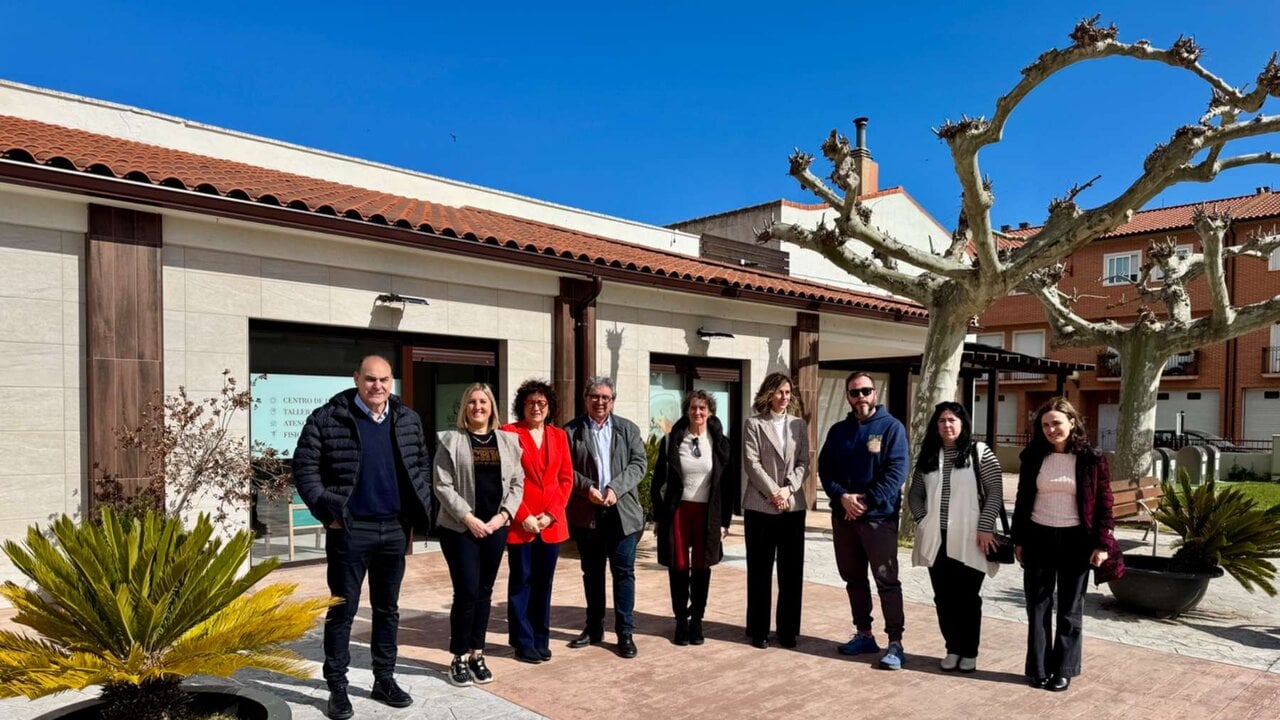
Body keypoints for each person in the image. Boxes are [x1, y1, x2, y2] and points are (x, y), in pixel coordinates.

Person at [292, 354, 433, 720]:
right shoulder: (329, 417)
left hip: (393, 530)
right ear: (357, 379)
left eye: (385, 379)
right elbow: (305, 468)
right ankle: (337, 687)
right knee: (343, 611)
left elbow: (420, 464)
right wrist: (329, 511)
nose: (378, 386)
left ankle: (383, 679)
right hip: (350, 530)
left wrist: (418, 512)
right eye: (370, 379)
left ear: (392, 382)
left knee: (388, 610)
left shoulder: (408, 419)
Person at [1013, 397, 1123, 692]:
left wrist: (1102, 544)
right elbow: (1023, 499)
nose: (1051, 429)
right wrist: (1019, 539)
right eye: (1045, 424)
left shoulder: (1091, 457)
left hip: (1076, 540)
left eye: (1057, 423)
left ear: (1072, 423)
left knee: (1070, 609)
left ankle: (1063, 669)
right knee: (1037, 607)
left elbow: (1105, 503)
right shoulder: (1033, 456)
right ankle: (1038, 668)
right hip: (1038, 537)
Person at [433, 383, 524, 687]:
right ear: (464, 408)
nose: (478, 407)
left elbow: (516, 484)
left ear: (491, 407)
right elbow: (442, 485)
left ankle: (477, 654)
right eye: (472, 402)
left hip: (495, 528)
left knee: (485, 592)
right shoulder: (451, 441)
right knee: (467, 592)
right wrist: (469, 518)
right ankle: (458, 656)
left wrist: (503, 517)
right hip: (460, 528)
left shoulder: (509, 441)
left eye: (483, 401)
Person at [818, 371, 909, 670]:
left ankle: (895, 643)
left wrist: (865, 501)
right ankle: (864, 634)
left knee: (886, 580)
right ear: (848, 396)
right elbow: (825, 470)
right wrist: (842, 497)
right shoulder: (838, 431)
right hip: (844, 518)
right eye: (855, 392)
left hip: (878, 520)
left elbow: (896, 472)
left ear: (875, 393)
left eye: (866, 391)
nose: (861, 397)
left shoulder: (891, 428)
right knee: (853, 579)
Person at [907, 402, 1005, 673]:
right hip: (937, 538)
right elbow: (914, 494)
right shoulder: (928, 456)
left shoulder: (979, 452)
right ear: (935, 426)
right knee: (943, 597)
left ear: (963, 424)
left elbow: (995, 490)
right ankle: (952, 648)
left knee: (968, 597)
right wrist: (922, 520)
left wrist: (986, 526)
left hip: (972, 537)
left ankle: (969, 651)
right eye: (941, 421)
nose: (947, 425)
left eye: (952, 420)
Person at [564, 376, 648, 659]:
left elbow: (639, 464)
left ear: (613, 401)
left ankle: (625, 633)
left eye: (606, 398)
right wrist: (587, 488)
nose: (600, 402)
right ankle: (594, 628)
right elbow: (566, 471)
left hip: (622, 514)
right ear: (586, 399)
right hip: (588, 513)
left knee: (624, 574)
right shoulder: (571, 431)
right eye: (595, 397)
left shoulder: (628, 429)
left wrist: (615, 488)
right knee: (592, 574)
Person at [651, 389, 733, 646]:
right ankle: (680, 621)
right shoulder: (672, 440)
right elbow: (658, 481)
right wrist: (658, 516)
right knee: (678, 566)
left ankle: (697, 620)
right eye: (693, 408)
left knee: (701, 566)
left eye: (702, 408)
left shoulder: (720, 442)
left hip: (707, 513)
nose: (698, 413)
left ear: (710, 412)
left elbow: (726, 485)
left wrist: (724, 522)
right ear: (687, 411)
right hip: (678, 511)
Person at [500, 379, 573, 664]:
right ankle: (522, 641)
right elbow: (505, 480)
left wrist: (551, 514)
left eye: (542, 403)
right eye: (531, 403)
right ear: (522, 406)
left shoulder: (559, 436)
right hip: (522, 523)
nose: (536, 407)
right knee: (521, 582)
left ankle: (541, 639)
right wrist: (523, 515)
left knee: (544, 583)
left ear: (549, 406)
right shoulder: (508, 433)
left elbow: (565, 479)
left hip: (551, 524)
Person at [741, 372, 809, 649]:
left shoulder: (798, 425)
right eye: (780, 392)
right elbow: (751, 462)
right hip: (761, 506)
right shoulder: (754, 424)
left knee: (791, 572)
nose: (785, 397)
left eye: (788, 392)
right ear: (769, 394)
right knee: (759, 570)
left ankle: (788, 630)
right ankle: (758, 629)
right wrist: (773, 492)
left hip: (792, 507)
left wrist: (788, 490)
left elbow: (804, 461)